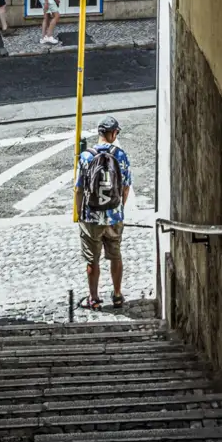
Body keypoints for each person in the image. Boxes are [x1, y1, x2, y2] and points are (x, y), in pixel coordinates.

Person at [75, 116, 131, 311]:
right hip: (114, 217)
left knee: (92, 259)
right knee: (115, 255)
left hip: (91, 217)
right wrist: (119, 208)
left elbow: (79, 189)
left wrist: (78, 213)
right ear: (113, 133)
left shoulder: (86, 156)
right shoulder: (121, 155)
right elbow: (125, 187)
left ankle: (94, 299)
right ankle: (117, 295)